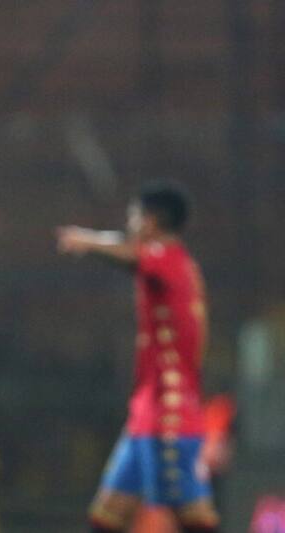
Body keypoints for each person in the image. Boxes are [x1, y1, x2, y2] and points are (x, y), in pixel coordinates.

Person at [57, 181, 220, 533]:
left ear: (151, 220)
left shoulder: (169, 259)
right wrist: (91, 237)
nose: (129, 223)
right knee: (107, 515)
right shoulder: (171, 259)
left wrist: (87, 242)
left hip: (169, 417)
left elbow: (132, 255)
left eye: (133, 216)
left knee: (194, 519)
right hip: (146, 415)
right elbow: (130, 249)